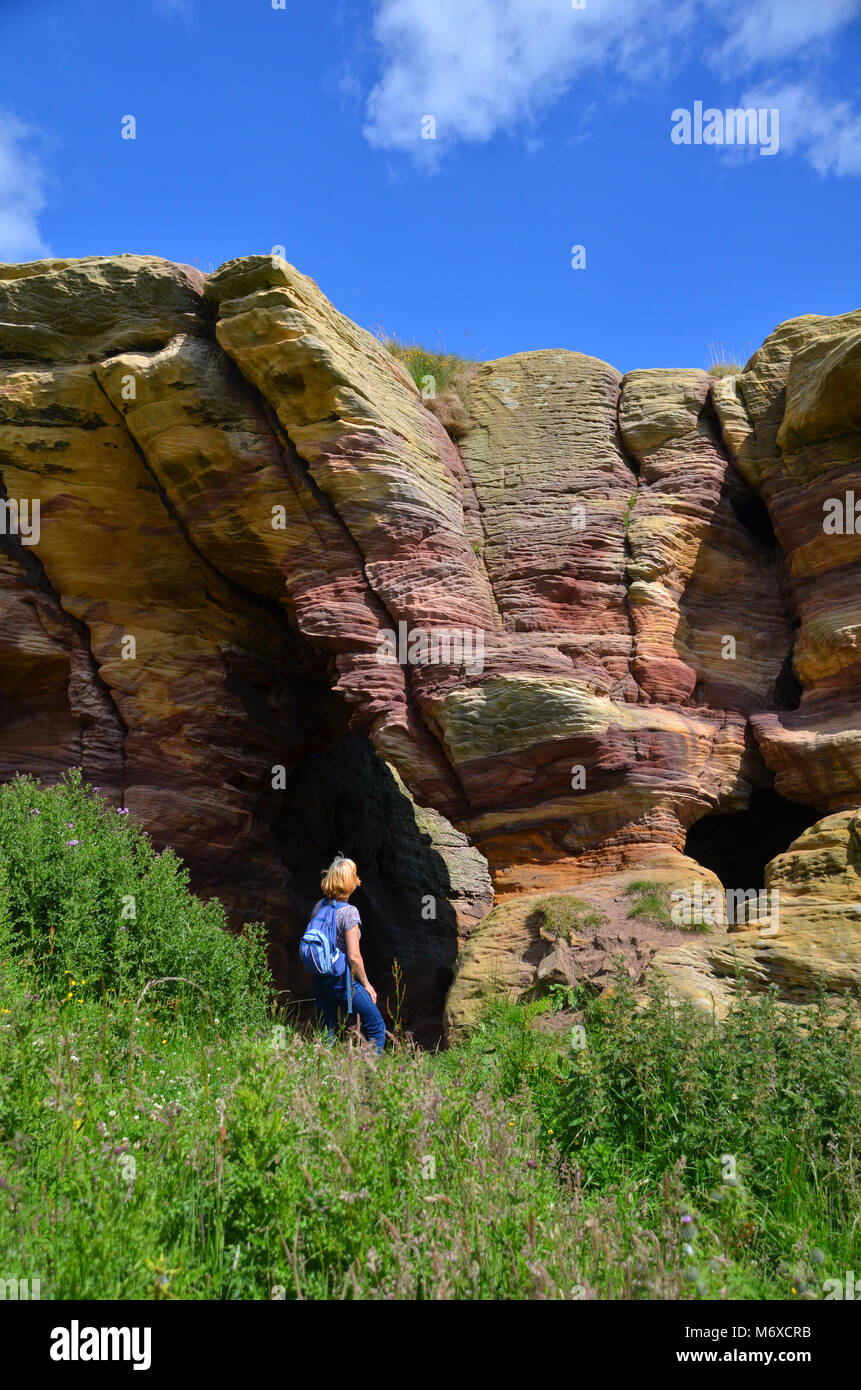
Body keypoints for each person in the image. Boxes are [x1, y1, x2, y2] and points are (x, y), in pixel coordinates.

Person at [310, 854, 387, 1054]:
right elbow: (353, 956)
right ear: (350, 881)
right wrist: (367, 983)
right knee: (377, 1028)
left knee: (328, 1034)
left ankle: (322, 1077)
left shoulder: (319, 907)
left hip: (320, 979)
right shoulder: (349, 912)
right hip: (343, 982)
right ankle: (366, 1077)